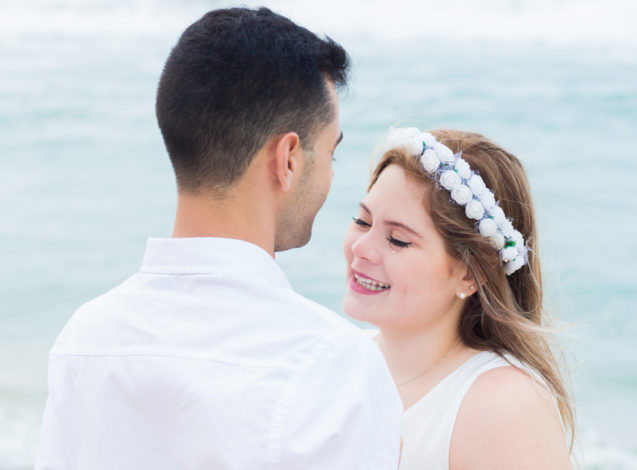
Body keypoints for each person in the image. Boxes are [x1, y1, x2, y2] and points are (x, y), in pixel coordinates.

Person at [35, 8, 402, 470]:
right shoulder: (333, 362)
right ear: (287, 158)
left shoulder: (84, 338)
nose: (330, 173)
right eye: (331, 151)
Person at [343, 127, 575, 469]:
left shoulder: (503, 405)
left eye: (398, 240)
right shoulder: (337, 359)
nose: (361, 249)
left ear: (471, 273)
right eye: (362, 221)